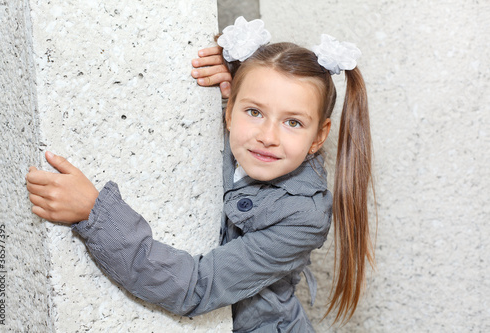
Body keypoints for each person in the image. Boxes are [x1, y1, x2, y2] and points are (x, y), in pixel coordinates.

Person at [26, 16, 374, 332]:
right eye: (254, 111)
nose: (268, 136)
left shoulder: (304, 217)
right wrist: (228, 87)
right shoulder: (247, 140)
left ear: (319, 136)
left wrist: (96, 214)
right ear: (229, 111)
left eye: (293, 122)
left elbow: (196, 286)